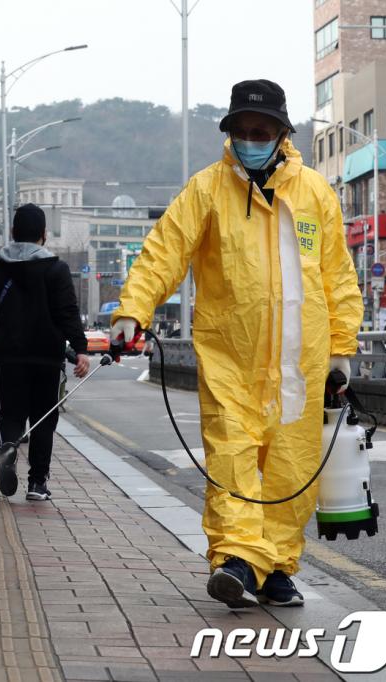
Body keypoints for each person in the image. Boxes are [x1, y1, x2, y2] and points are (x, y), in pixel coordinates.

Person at [110, 80, 362, 608]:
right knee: (232, 460)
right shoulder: (207, 190)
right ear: (230, 134)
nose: (251, 139)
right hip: (230, 358)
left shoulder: (315, 193)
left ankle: (272, 568)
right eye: (243, 131)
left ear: (281, 134)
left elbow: (338, 276)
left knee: (291, 472)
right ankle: (236, 559)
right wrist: (133, 309)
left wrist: (341, 349)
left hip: (302, 361)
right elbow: (163, 253)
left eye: (261, 131)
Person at [0, 205, 90, 501]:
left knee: (10, 413)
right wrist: (80, 350)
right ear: (43, 234)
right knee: (44, 419)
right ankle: (37, 483)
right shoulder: (57, 268)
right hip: (47, 358)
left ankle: (9, 450)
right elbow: (68, 313)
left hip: (10, 356)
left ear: (14, 232)